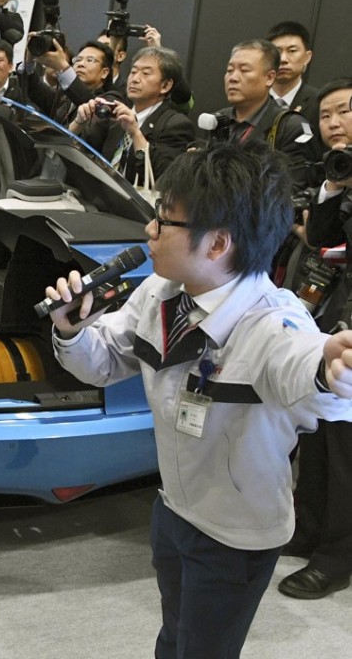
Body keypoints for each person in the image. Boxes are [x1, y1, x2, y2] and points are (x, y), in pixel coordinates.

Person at [44, 141, 352, 658]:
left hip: (235, 534)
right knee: (174, 637)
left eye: (163, 221)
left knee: (205, 650)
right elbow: (102, 364)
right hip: (174, 507)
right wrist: (71, 332)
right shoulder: (160, 294)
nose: (150, 231)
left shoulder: (274, 320)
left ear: (217, 244)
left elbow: (302, 363)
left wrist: (332, 365)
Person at [282, 77, 352, 600]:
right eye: (327, 114)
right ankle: (307, 529)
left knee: (346, 444)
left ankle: (338, 554)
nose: (334, 123)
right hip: (327, 315)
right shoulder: (336, 173)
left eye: (346, 111)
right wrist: (334, 185)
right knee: (317, 432)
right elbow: (324, 239)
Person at [71, 46, 194, 185]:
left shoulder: (175, 124)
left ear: (165, 85)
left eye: (146, 74)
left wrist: (136, 134)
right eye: (133, 71)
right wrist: (78, 123)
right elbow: (80, 155)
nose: (135, 79)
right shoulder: (116, 116)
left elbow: (160, 176)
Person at [212, 39, 317, 189]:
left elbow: (294, 189)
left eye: (244, 70)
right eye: (229, 70)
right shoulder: (218, 119)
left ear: (269, 78)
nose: (233, 78)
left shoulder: (292, 126)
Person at [25, 39, 123, 126]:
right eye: (78, 60)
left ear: (104, 72)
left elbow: (90, 103)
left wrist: (62, 67)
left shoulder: (111, 98)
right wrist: (29, 61)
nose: (81, 64)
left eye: (90, 60)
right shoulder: (64, 97)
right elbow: (34, 89)